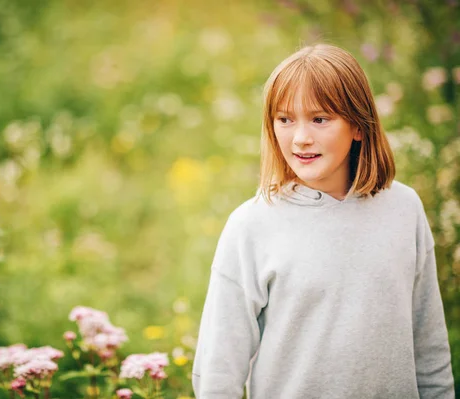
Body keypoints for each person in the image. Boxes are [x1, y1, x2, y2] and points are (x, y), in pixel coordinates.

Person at [191, 44, 455, 398]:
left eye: (320, 119)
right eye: (285, 119)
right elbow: (217, 371)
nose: (301, 138)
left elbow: (429, 345)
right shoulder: (251, 226)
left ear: (359, 126)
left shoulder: (404, 208)